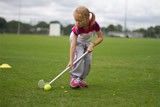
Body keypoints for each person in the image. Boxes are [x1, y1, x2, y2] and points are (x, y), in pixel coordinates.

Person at [67, 6, 103, 88]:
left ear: (87, 18)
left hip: (88, 42)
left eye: (79, 20)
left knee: (88, 61)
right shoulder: (77, 27)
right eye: (75, 20)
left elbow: (100, 37)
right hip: (77, 41)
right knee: (79, 57)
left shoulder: (94, 24)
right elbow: (73, 45)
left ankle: (80, 79)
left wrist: (92, 44)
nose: (77, 22)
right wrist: (71, 60)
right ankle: (74, 78)